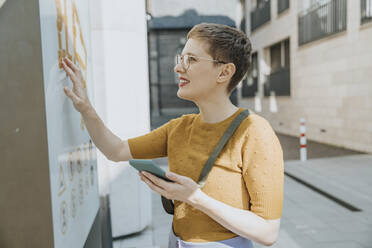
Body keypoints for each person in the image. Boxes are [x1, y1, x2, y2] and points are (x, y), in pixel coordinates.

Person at [62, 22, 284, 248]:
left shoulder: (255, 132)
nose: (179, 68)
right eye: (181, 59)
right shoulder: (179, 127)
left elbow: (267, 232)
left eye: (192, 60)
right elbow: (116, 150)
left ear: (225, 72)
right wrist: (86, 108)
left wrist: (195, 198)